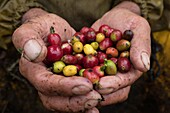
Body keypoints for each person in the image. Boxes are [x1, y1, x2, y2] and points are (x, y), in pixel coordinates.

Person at [0, 0, 169, 113]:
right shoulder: (72, 52)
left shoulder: (97, 53)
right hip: (27, 51)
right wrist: (27, 14)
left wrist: (132, 6)